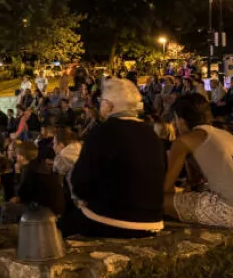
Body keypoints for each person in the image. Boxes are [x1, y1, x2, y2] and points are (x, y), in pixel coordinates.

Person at [60, 78, 166, 238]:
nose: (100, 105)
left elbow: (80, 182)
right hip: (153, 220)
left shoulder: (102, 131)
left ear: (109, 105)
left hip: (113, 220)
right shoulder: (151, 133)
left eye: (101, 101)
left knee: (57, 228)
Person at [164, 94, 233, 230]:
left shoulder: (184, 140)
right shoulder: (223, 134)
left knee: (157, 202)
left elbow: (165, 187)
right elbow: (196, 182)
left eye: (175, 120)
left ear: (181, 120)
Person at [1, 141, 65, 222]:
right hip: (55, 208)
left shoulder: (28, 170)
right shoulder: (41, 165)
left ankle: (8, 231)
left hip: (42, 210)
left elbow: (21, 194)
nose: (16, 158)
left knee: (6, 207)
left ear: (22, 157)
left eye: (17, 155)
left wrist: (17, 174)